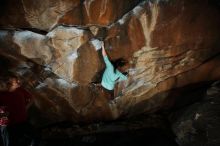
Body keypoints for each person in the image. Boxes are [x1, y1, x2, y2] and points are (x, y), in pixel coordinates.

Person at [0, 74, 40, 146]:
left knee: (36, 137)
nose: (19, 82)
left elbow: (31, 98)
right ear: (9, 83)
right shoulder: (2, 95)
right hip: (9, 125)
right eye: (16, 81)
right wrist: (3, 115)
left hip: (22, 122)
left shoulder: (20, 90)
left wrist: (25, 108)